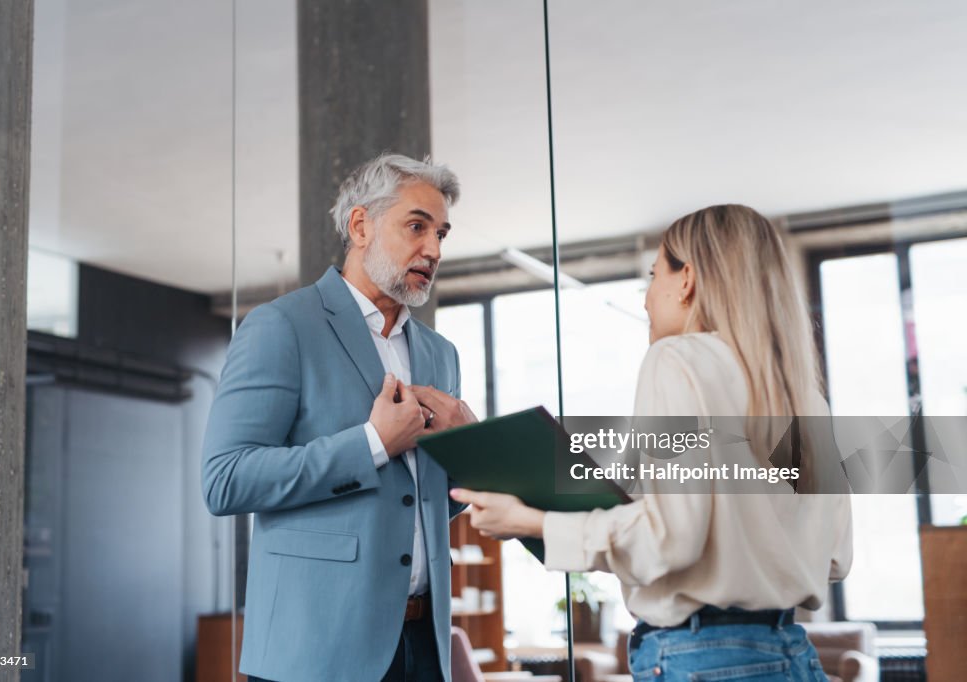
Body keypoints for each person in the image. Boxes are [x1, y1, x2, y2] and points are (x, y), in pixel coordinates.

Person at [451, 205, 853, 681]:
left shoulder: (677, 359)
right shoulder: (802, 394)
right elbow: (835, 557)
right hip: (791, 655)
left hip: (704, 659)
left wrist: (533, 521)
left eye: (653, 275)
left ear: (687, 280)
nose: (646, 300)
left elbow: (671, 538)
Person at [202, 153, 476, 682]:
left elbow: (418, 506)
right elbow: (225, 480)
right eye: (417, 227)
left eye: (442, 233)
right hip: (315, 650)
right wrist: (373, 443)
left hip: (425, 647)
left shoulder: (442, 355)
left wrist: (467, 459)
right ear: (360, 226)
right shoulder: (281, 326)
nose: (435, 250)